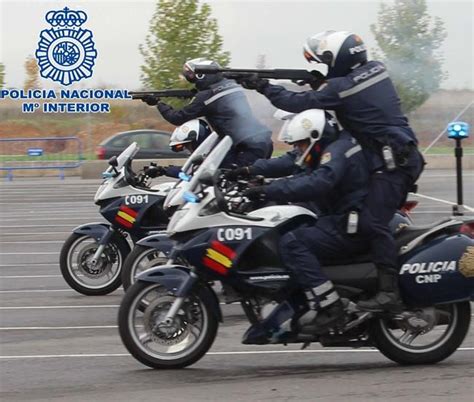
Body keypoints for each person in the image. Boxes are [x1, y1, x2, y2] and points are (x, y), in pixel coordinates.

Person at [239, 31, 424, 312]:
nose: (324, 66)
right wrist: (320, 82)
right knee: (353, 215)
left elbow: (295, 103)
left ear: (335, 58)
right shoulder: (375, 70)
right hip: (393, 157)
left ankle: (390, 292)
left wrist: (262, 85)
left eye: (324, 61)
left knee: (371, 223)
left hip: (395, 163)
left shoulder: (341, 88)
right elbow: (348, 91)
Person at [237, 109, 371, 341]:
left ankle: (329, 305)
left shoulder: (335, 153)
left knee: (292, 243)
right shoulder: (329, 148)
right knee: (290, 232)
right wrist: (256, 178)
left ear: (315, 136)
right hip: (342, 218)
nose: (298, 148)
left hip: (350, 224)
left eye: (300, 144)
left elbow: (317, 182)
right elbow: (298, 173)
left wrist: (267, 189)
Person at [141, 58, 273, 168]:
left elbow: (176, 118)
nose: (191, 80)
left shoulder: (206, 97)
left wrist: (158, 103)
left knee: (227, 179)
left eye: (192, 76)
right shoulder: (232, 85)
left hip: (247, 147)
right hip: (261, 140)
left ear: (202, 75)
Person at [144, 119, 211, 179]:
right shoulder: (206, 157)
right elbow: (186, 172)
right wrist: (163, 170)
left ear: (197, 142)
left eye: (188, 145)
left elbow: (189, 177)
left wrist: (165, 171)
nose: (187, 149)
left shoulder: (211, 158)